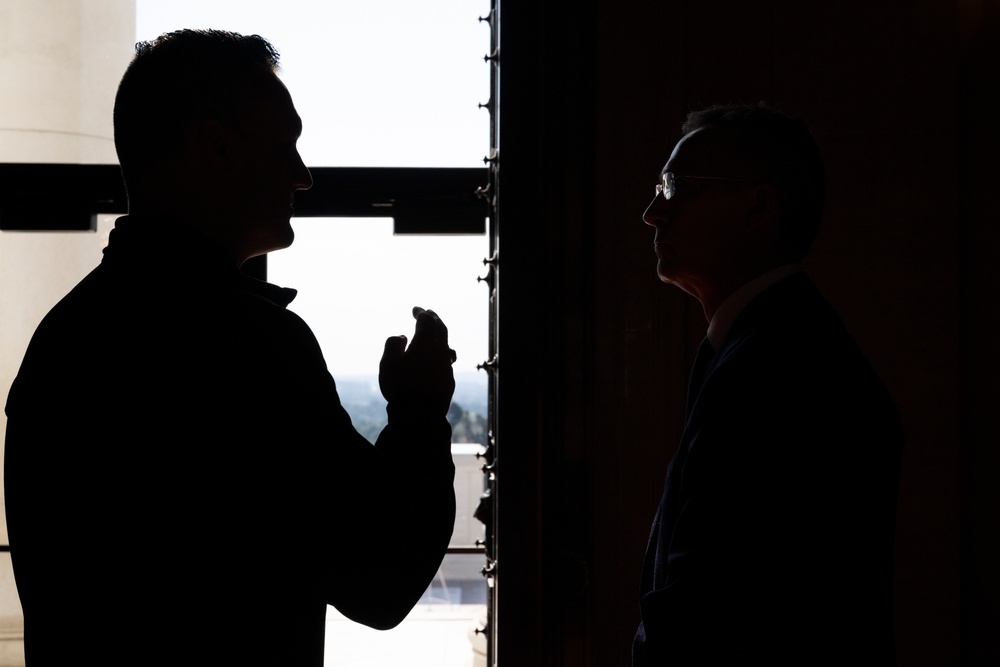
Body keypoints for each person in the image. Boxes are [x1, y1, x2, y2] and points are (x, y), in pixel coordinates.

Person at [4, 29, 457, 666]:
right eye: (285, 145)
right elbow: (379, 581)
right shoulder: (253, 350)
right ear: (215, 146)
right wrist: (417, 415)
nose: (302, 175)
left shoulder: (62, 341)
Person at [633, 104, 904, 665]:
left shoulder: (779, 371)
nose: (652, 213)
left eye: (677, 187)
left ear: (756, 206)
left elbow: (714, 613)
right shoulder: (772, 346)